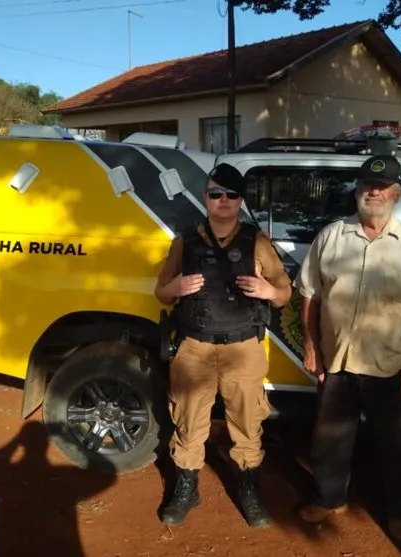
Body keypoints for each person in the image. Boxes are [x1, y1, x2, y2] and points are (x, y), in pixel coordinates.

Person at [293, 154, 401, 542]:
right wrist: (312, 346)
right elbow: (311, 296)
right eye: (367, 185)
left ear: (396, 193)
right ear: (357, 190)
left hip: (391, 366)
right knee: (329, 441)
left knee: (396, 447)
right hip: (339, 362)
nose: (373, 192)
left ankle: (398, 511)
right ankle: (330, 499)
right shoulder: (331, 236)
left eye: (382, 187)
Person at [154, 163, 293, 528]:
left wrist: (269, 291)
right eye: (216, 193)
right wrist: (176, 289)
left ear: (240, 200)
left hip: (243, 349)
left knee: (248, 424)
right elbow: (161, 291)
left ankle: (248, 489)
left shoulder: (256, 242)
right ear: (205, 198)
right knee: (187, 423)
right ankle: (187, 488)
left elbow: (284, 294)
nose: (223, 201)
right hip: (194, 349)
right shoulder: (185, 241)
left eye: (231, 194)